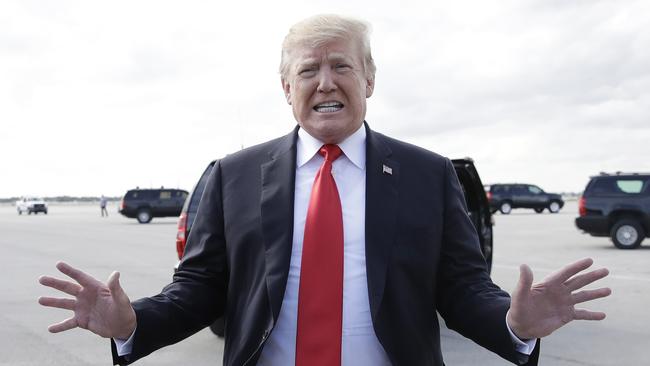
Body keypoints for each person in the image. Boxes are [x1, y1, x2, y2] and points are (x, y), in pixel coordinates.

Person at [38, 14, 611, 366]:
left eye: (342, 66)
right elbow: (200, 288)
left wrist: (514, 326)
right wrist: (132, 324)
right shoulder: (232, 174)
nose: (326, 82)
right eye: (309, 70)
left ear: (370, 78)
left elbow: (461, 289)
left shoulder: (428, 175)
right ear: (286, 86)